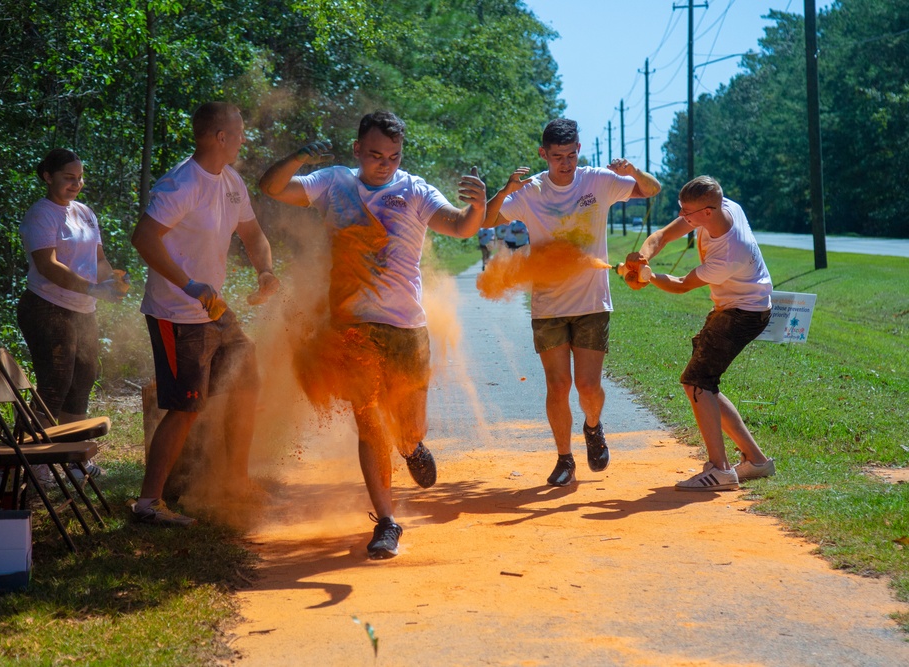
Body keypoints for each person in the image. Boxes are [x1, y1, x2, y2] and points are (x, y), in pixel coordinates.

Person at [259, 110, 486, 559]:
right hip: (352, 328)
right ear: (358, 150)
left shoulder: (415, 191)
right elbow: (271, 188)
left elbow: (461, 227)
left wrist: (478, 205)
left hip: (407, 327)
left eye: (395, 156)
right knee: (368, 423)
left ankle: (412, 445)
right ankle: (387, 520)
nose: (385, 164)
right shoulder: (333, 182)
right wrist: (302, 155)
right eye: (377, 155)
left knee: (407, 428)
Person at [484, 118, 660, 487]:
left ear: (579, 149)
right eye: (557, 156)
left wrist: (632, 170)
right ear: (542, 154)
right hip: (548, 305)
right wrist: (504, 190)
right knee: (558, 386)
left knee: (589, 388)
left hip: (592, 301)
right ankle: (565, 458)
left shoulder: (598, 179)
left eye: (570, 155)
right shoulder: (529, 192)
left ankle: (593, 428)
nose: (565, 163)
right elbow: (485, 222)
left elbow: (652, 190)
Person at [130, 102, 280, 526]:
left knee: (247, 377)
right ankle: (148, 504)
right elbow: (144, 237)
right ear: (220, 137)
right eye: (239, 132)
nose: (244, 139)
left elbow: (252, 233)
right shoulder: (181, 184)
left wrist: (265, 271)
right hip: (176, 313)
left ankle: (236, 479)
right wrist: (188, 284)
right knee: (185, 407)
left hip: (214, 311)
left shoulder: (231, 182)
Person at [623, 175, 775, 491]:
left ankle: (720, 470)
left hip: (744, 313)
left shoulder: (730, 251)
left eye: (688, 212)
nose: (683, 217)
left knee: (697, 383)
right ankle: (757, 461)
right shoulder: (721, 208)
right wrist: (643, 258)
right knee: (703, 385)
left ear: (707, 211)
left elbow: (681, 285)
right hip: (735, 308)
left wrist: (648, 278)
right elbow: (663, 235)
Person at [18, 148, 128, 478]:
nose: (76, 184)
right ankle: (34, 462)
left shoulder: (84, 212)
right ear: (47, 176)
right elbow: (47, 265)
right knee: (55, 383)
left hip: (84, 311)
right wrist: (91, 287)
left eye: (80, 178)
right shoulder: (41, 214)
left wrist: (111, 281)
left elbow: (99, 259)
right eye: (68, 178)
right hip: (46, 308)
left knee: (82, 381)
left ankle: (73, 459)